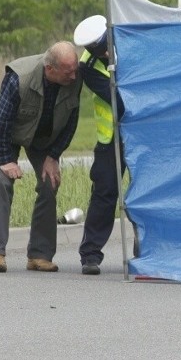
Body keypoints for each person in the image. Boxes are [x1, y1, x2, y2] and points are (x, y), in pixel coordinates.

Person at [0, 41, 82, 273]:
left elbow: (71, 122)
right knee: (2, 183)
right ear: (50, 69)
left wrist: (53, 156)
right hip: (7, 134)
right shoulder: (20, 78)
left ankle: (39, 255)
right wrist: (8, 160)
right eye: (68, 71)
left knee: (50, 183)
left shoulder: (74, 79)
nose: (74, 76)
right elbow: (1, 124)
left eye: (75, 70)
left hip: (43, 138)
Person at [73, 15, 128, 276]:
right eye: (96, 49)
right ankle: (90, 255)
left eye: (104, 45)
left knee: (149, 191)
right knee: (105, 194)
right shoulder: (88, 67)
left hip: (145, 134)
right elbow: (119, 101)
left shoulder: (129, 42)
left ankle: (150, 252)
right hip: (111, 140)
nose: (103, 52)